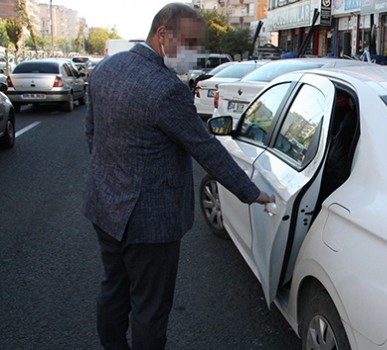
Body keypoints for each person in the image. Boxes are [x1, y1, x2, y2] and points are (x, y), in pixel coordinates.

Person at [82, 3, 274, 350]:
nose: (193, 54)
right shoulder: (166, 88)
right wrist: (251, 191)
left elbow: (93, 134)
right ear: (162, 35)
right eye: (189, 43)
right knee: (150, 309)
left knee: (114, 289)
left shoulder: (106, 69)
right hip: (150, 224)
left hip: (104, 207)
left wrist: (111, 179)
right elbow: (206, 148)